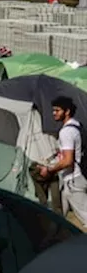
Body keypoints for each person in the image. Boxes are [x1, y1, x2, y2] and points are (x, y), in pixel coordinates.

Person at [39, 96, 87, 225]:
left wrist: (49, 170)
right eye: (53, 110)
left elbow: (67, 161)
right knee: (58, 217)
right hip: (72, 179)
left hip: (73, 180)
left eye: (57, 110)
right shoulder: (78, 126)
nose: (54, 113)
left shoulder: (66, 132)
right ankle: (53, 239)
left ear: (67, 112)